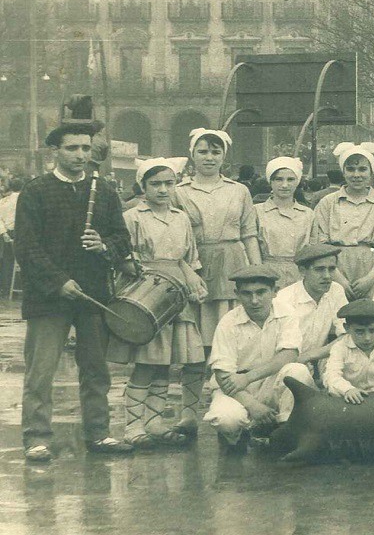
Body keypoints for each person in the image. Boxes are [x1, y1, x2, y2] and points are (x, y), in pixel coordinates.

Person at [15, 121, 136, 461]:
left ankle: (98, 433)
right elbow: (27, 247)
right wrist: (58, 282)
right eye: (73, 148)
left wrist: (104, 245)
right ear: (55, 151)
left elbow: (122, 238)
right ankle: (36, 438)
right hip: (48, 298)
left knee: (96, 369)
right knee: (41, 371)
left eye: (86, 148)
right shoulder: (35, 191)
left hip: (93, 294)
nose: (81, 155)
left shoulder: (106, 192)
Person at [108, 157, 209, 448]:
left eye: (169, 183)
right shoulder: (133, 217)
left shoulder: (180, 217)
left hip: (175, 296)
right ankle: (133, 426)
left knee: (166, 361)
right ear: (143, 186)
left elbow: (187, 259)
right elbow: (124, 257)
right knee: (146, 362)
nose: (163, 189)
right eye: (155, 184)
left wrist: (193, 280)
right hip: (146, 292)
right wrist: (147, 275)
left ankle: (154, 422)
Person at [203, 266, 314, 449]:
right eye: (246, 294)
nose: (254, 300)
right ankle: (237, 434)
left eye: (261, 292)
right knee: (226, 419)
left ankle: (283, 429)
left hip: (270, 382)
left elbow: (289, 354)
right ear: (236, 294)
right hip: (236, 388)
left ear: (275, 292)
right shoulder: (228, 322)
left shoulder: (287, 313)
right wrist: (253, 406)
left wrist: (248, 377)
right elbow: (223, 375)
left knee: (297, 371)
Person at [175, 128, 261, 351]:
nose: (209, 158)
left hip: (232, 264)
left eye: (215, 152)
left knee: (233, 324)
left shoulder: (239, 191)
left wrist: (258, 272)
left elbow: (249, 233)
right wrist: (187, 271)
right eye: (202, 152)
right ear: (192, 154)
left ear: (224, 156)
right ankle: (200, 374)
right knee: (198, 325)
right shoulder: (179, 192)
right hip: (196, 265)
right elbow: (175, 239)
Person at [311, 142, 374, 300]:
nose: (356, 175)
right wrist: (339, 279)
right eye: (350, 169)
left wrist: (371, 278)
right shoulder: (328, 203)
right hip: (335, 267)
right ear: (343, 172)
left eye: (362, 169)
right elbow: (320, 244)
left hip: (372, 267)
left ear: (371, 171)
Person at [272, 243, 349, 373]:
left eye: (331, 269)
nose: (327, 276)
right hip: (286, 366)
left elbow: (348, 334)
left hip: (316, 361)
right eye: (319, 269)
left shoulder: (336, 290)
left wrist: (311, 355)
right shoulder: (284, 298)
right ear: (303, 271)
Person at [255, 156, 313, 287]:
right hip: (267, 275)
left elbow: (312, 248)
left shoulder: (308, 214)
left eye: (290, 179)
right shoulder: (257, 212)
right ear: (270, 181)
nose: (285, 185)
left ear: (297, 181)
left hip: (300, 276)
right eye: (279, 179)